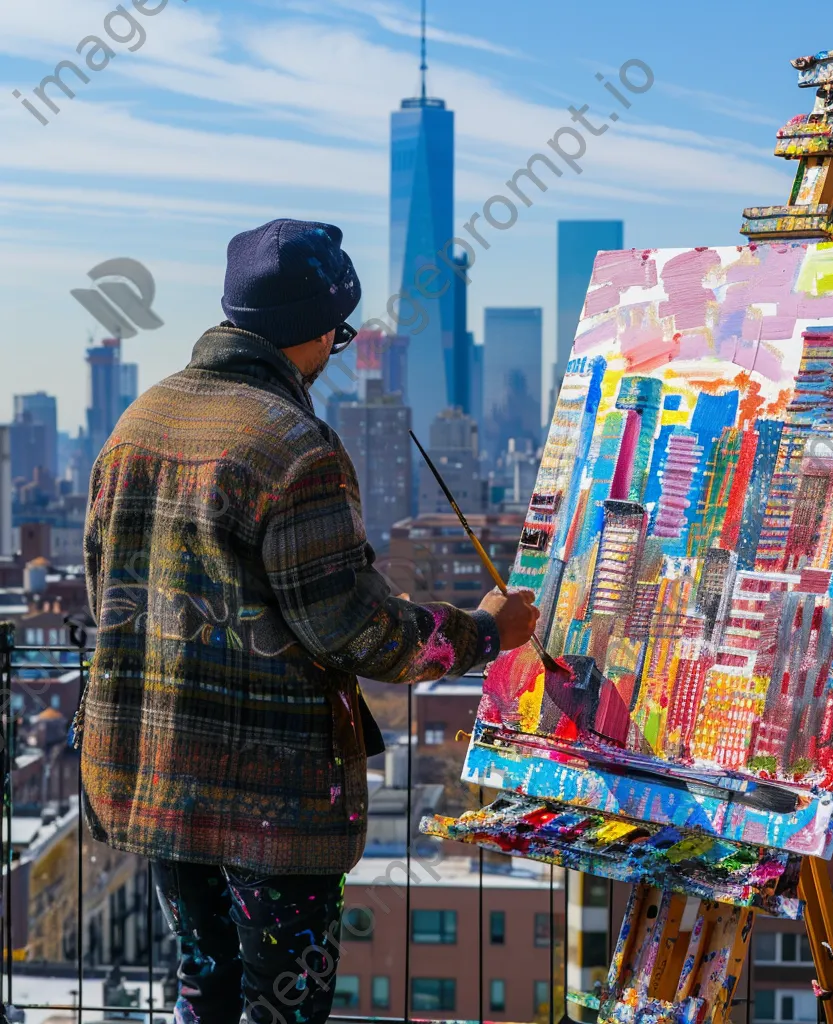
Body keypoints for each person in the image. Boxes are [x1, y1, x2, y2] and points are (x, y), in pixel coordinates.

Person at [78, 218, 539, 1024]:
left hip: (153, 778)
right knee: (282, 1009)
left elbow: (103, 590)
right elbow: (358, 631)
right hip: (271, 804)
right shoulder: (295, 446)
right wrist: (483, 632)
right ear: (317, 332)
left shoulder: (135, 427)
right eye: (341, 331)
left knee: (204, 992)